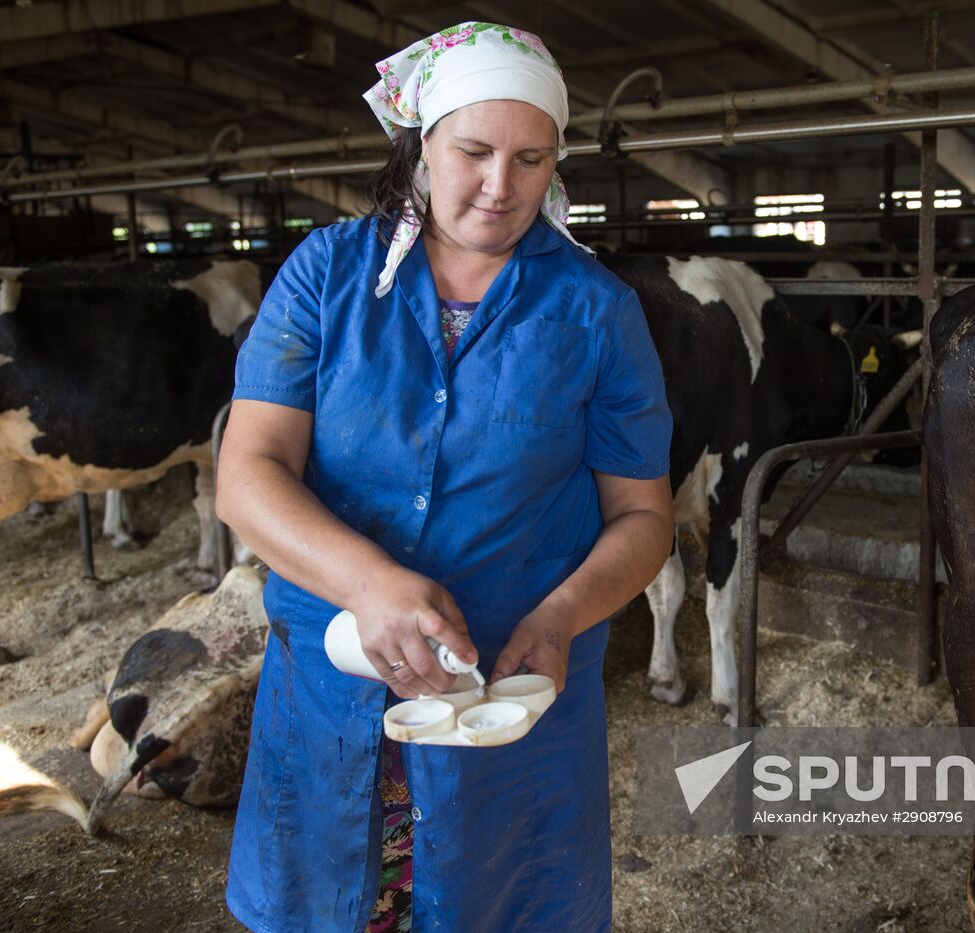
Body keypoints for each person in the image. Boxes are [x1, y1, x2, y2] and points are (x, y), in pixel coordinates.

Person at [216, 22, 675, 933]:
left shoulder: (598, 311)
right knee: (326, 899)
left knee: (501, 899)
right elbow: (247, 474)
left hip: (510, 695)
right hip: (333, 677)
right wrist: (370, 584)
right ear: (420, 142)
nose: (500, 187)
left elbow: (642, 518)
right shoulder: (326, 275)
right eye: (472, 151)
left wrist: (562, 616)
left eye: (531, 159)